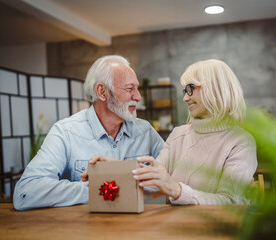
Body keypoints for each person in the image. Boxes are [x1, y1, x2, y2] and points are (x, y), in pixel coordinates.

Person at [86, 59, 258, 205]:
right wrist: (117, 168)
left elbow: (231, 202)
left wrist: (177, 190)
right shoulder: (178, 134)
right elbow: (154, 181)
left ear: (214, 89)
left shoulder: (241, 142)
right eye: (185, 91)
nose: (185, 98)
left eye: (190, 89)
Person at [13, 55, 164, 210]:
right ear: (102, 92)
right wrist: (100, 190)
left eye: (137, 88)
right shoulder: (66, 132)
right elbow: (25, 192)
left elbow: (175, 177)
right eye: (130, 88)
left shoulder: (145, 131)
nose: (138, 97)